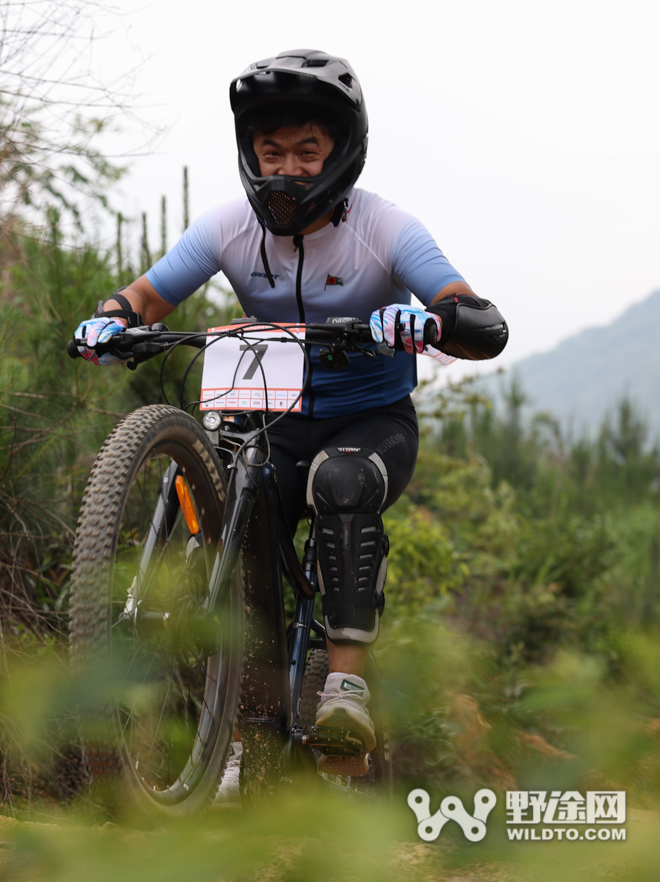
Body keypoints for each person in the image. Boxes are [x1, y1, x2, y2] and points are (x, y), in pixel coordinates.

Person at [71, 49, 508, 781]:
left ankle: (345, 690)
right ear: (249, 154)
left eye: (308, 151)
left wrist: (430, 321)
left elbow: (477, 318)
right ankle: (243, 716)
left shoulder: (385, 227)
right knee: (236, 514)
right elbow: (145, 298)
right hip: (269, 420)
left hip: (368, 424)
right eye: (271, 151)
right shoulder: (227, 228)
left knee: (342, 482)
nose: (287, 169)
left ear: (342, 152)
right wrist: (109, 320)